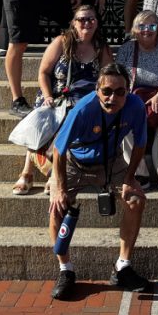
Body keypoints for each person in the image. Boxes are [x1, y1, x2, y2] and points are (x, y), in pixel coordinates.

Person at [49, 63, 151, 300]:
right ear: (97, 90)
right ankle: (65, 269)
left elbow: (140, 143)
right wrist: (60, 187)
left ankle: (122, 267)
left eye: (119, 92)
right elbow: (59, 150)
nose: (111, 97)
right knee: (57, 208)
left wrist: (129, 178)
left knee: (136, 199)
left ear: (128, 91)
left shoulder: (136, 107)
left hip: (110, 160)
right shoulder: (83, 110)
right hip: (75, 161)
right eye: (106, 91)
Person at [13, 4, 112, 196]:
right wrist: (48, 95)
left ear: (97, 22)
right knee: (43, 115)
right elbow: (43, 72)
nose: (86, 23)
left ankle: (54, 175)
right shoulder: (62, 41)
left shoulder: (101, 47)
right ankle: (28, 171)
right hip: (58, 95)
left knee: (72, 116)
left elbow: (109, 79)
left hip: (87, 100)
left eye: (91, 19)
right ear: (73, 23)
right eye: (81, 19)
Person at [116, 10, 158, 195]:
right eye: (142, 26)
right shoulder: (127, 49)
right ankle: (139, 174)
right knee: (125, 124)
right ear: (135, 29)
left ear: (157, 29)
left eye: (152, 26)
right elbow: (117, 76)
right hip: (133, 98)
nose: (147, 30)